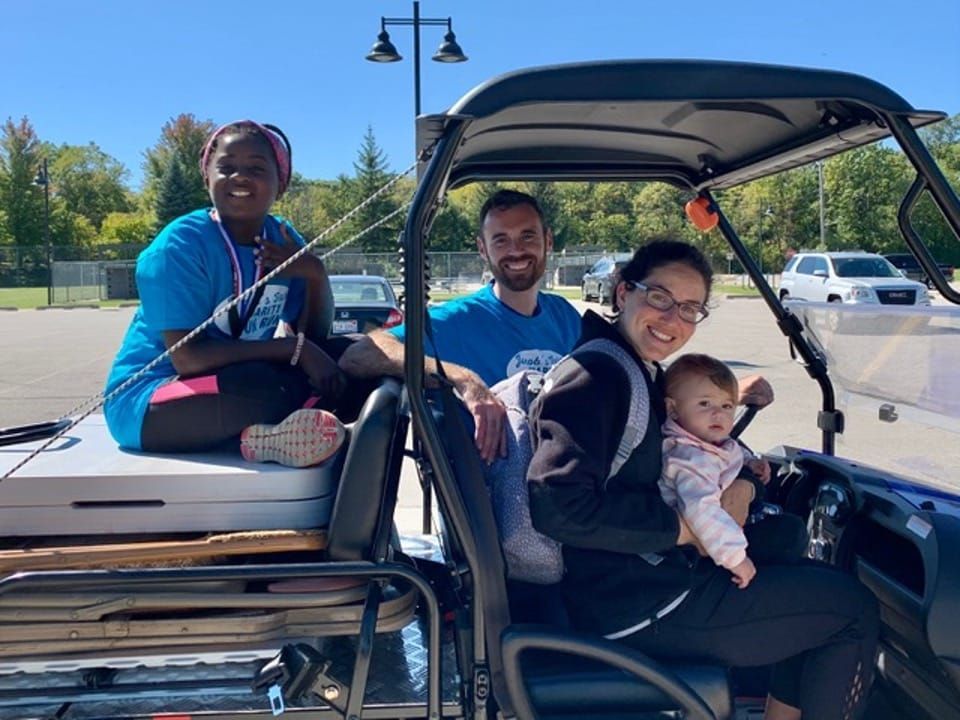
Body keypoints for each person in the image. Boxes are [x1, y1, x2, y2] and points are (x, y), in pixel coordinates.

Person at [528, 239, 878, 720]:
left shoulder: (634, 368)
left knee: (792, 547)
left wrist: (744, 477)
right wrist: (686, 528)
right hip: (636, 603)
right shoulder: (598, 375)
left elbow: (676, 445)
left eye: (690, 308)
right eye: (660, 298)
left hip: (645, 579)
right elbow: (556, 504)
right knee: (851, 610)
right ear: (622, 292)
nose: (673, 319)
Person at [104, 120, 346, 466]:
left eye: (256, 168)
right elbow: (187, 360)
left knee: (345, 359)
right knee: (260, 386)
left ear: (282, 183)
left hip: (233, 382)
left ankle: (267, 435)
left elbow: (315, 339)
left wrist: (314, 274)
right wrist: (293, 349)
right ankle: (275, 430)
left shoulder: (282, 238)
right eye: (227, 167)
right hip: (152, 400)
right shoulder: (180, 245)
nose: (240, 177)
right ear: (207, 178)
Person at [339, 189, 582, 462]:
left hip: (571, 475)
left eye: (528, 236)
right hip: (501, 493)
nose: (516, 251)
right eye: (500, 240)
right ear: (482, 249)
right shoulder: (457, 319)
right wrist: (465, 381)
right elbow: (360, 354)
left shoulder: (566, 316)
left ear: (547, 241)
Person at [660, 353, 800, 590]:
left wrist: (749, 463)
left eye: (727, 406)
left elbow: (727, 451)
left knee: (791, 528)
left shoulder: (704, 440)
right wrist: (736, 559)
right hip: (696, 550)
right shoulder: (689, 458)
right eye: (704, 404)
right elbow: (701, 510)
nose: (718, 414)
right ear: (673, 409)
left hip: (720, 526)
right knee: (791, 534)